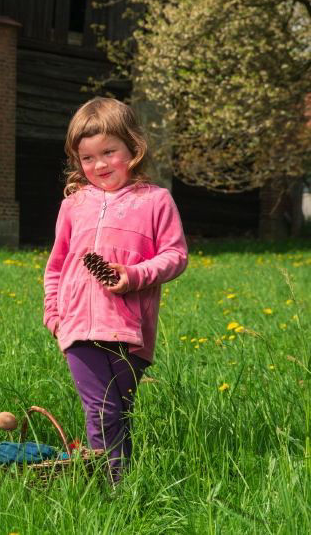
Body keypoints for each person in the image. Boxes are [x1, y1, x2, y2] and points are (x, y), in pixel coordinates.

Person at [43, 97, 187, 482]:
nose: (100, 165)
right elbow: (56, 265)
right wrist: (54, 315)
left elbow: (175, 256)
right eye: (88, 158)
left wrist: (135, 275)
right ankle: (112, 485)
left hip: (130, 328)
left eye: (109, 152)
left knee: (118, 409)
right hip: (77, 326)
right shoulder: (74, 205)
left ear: (133, 148)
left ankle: (118, 483)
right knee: (100, 409)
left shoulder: (156, 200)